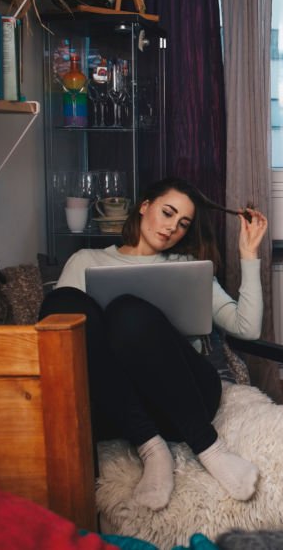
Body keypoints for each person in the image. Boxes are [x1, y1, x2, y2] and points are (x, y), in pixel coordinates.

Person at [40, 177, 269, 510]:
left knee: (126, 312)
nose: (172, 227)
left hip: (187, 397)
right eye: (167, 213)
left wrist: (248, 256)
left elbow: (247, 328)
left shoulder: (186, 267)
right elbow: (62, 348)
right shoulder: (85, 260)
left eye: (183, 223)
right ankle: (151, 447)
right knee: (61, 302)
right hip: (118, 409)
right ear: (145, 206)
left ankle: (210, 449)